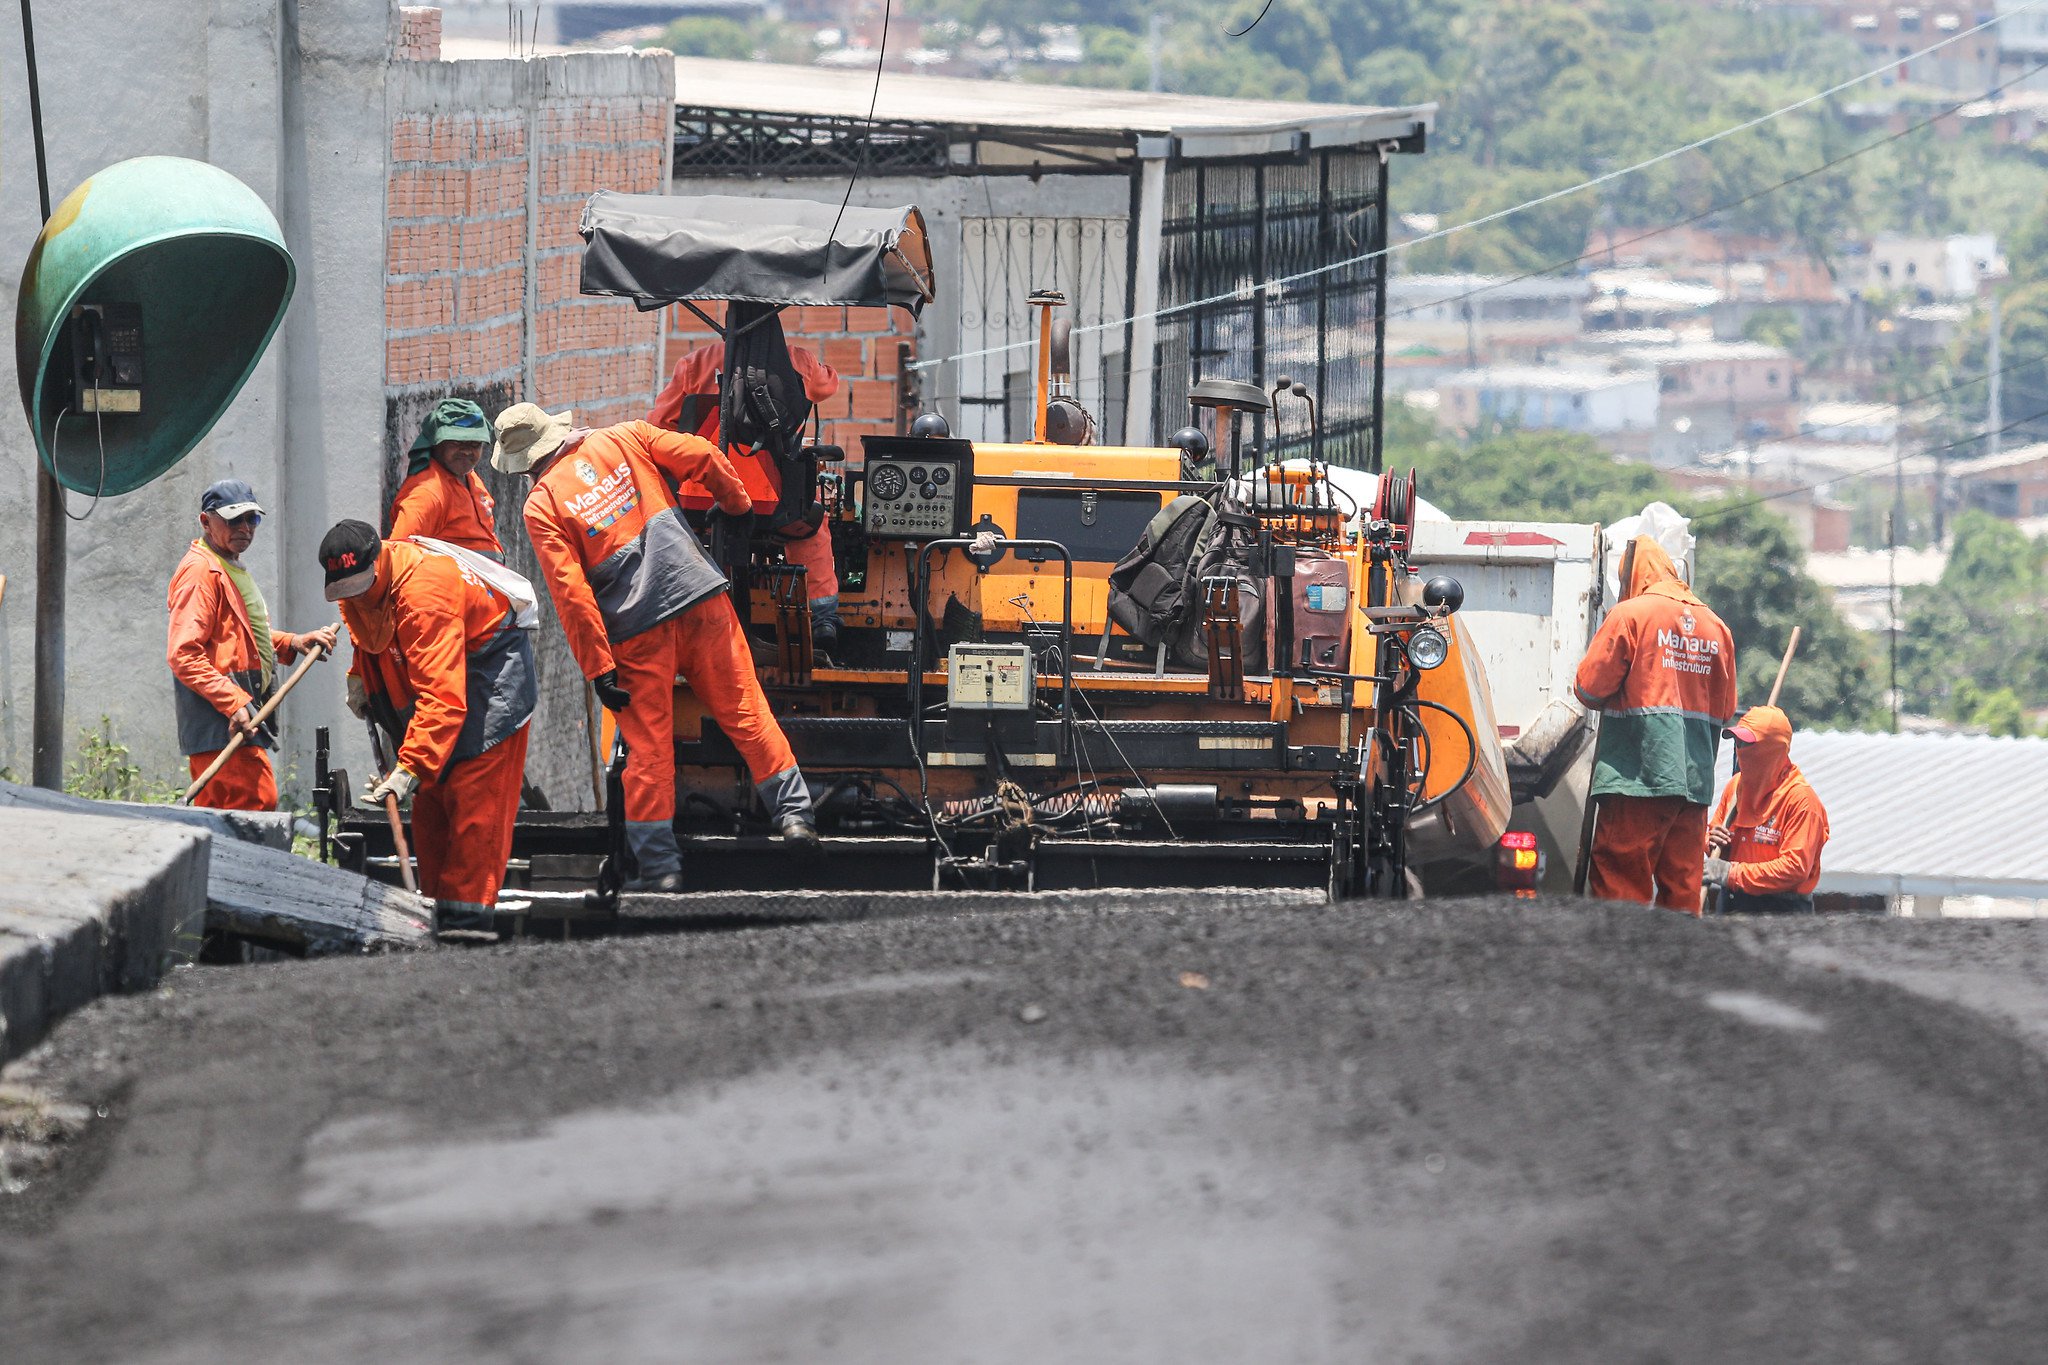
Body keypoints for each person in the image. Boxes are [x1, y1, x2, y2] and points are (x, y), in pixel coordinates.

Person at [495, 402, 819, 893]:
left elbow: (571, 591)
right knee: (746, 711)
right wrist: (738, 506)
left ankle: (661, 868)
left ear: (523, 465)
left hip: (637, 631)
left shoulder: (541, 505)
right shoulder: (623, 436)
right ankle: (795, 816)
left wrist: (598, 667)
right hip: (699, 597)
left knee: (648, 750)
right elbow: (702, 455)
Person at [320, 520, 536, 935]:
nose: (353, 598)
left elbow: (444, 698)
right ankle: (437, 922)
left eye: (359, 588)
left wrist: (409, 768)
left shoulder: (424, 594)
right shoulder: (358, 587)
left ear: (378, 563)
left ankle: (468, 925)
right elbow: (367, 628)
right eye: (344, 592)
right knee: (431, 811)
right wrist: (360, 673)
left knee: (475, 812)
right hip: (437, 676)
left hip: (489, 676)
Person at [650, 335, 845, 657]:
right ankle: (823, 618)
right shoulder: (798, 361)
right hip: (774, 503)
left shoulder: (694, 363)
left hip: (702, 498)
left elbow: (660, 424)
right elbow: (828, 385)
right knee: (811, 526)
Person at [1573, 535, 1738, 913]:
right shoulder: (1717, 627)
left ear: (1633, 579)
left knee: (1620, 880)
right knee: (1681, 887)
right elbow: (1726, 708)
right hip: (1693, 784)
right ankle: (1678, 967)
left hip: (1638, 777)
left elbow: (1588, 688)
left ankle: (1622, 967)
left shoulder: (1631, 614)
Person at [167, 479, 339, 810]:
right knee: (256, 804)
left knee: (224, 817)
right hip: (221, 717)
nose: (245, 528)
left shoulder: (227, 566)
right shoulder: (200, 573)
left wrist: (293, 642)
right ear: (206, 521)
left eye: (252, 519)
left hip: (236, 712)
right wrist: (233, 703)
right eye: (234, 519)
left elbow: (242, 635)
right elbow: (183, 654)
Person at [350, 399, 503, 736]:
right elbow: (387, 572)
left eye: (475, 444)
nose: (467, 452)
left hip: (478, 632)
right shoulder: (427, 494)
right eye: (457, 444)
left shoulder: (468, 480)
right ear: (436, 444)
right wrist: (360, 667)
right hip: (447, 635)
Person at [1705, 705, 1829, 914]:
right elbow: (1714, 844)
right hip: (1731, 905)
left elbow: (1794, 868)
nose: (1740, 750)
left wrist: (1732, 873)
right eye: (1738, 742)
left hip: (1782, 913)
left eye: (1747, 743)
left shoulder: (1801, 801)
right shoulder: (1735, 788)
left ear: (1771, 749)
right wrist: (1712, 842)